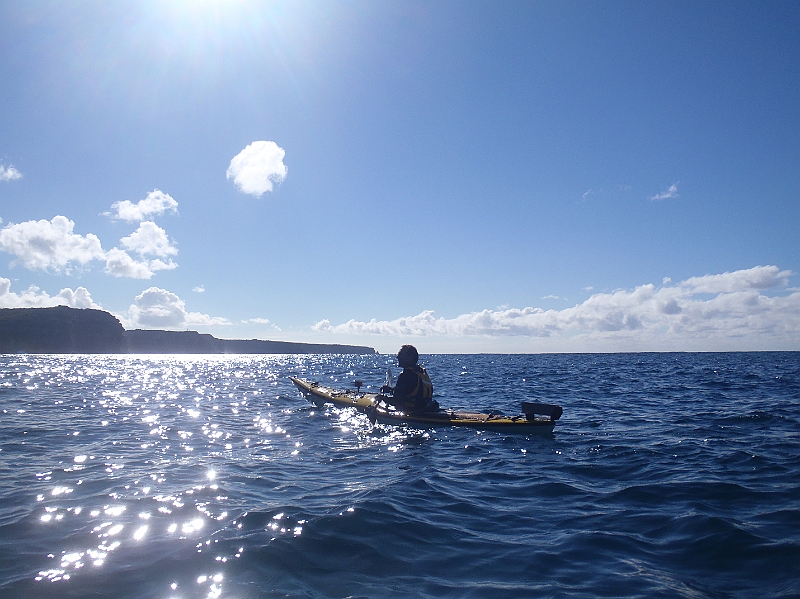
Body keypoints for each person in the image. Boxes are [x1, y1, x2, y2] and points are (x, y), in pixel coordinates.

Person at [381, 344, 438, 413]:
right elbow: (410, 391)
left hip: (413, 412)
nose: (397, 357)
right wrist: (391, 390)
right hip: (426, 409)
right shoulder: (421, 372)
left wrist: (382, 398)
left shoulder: (405, 375)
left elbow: (396, 401)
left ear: (410, 357)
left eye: (401, 354)